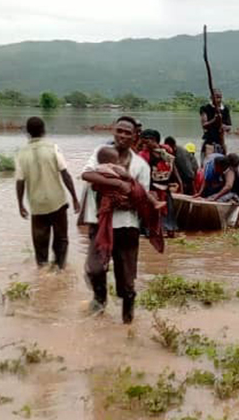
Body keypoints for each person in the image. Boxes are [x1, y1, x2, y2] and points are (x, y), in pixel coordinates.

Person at [80, 116, 152, 324]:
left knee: (127, 284)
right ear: (113, 131)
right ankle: (99, 301)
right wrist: (121, 188)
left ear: (135, 136)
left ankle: (127, 323)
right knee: (94, 269)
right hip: (99, 223)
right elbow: (86, 175)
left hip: (127, 227)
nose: (122, 135)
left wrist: (122, 200)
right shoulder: (100, 154)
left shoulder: (140, 165)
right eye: (119, 130)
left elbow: (142, 199)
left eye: (127, 132)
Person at [15, 116, 80, 269]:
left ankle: (42, 272)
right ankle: (60, 269)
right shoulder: (53, 148)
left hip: (37, 205)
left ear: (27, 132)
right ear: (44, 130)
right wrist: (75, 198)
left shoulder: (21, 154)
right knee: (61, 238)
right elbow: (65, 174)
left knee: (40, 242)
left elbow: (20, 181)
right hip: (57, 201)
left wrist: (20, 205)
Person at [139, 129, 181, 237]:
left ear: (154, 140)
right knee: (152, 218)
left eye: (146, 142)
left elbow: (173, 166)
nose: (144, 145)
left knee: (168, 216)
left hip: (164, 187)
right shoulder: (144, 155)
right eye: (142, 143)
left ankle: (168, 230)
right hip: (152, 188)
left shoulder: (166, 151)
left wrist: (178, 181)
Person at [200, 88, 232, 160]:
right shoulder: (205, 108)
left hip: (221, 142)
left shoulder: (225, 109)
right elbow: (204, 125)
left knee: (223, 164)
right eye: (216, 97)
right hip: (209, 142)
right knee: (207, 163)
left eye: (220, 97)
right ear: (211, 98)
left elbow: (229, 127)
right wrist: (214, 120)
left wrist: (224, 127)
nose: (218, 100)